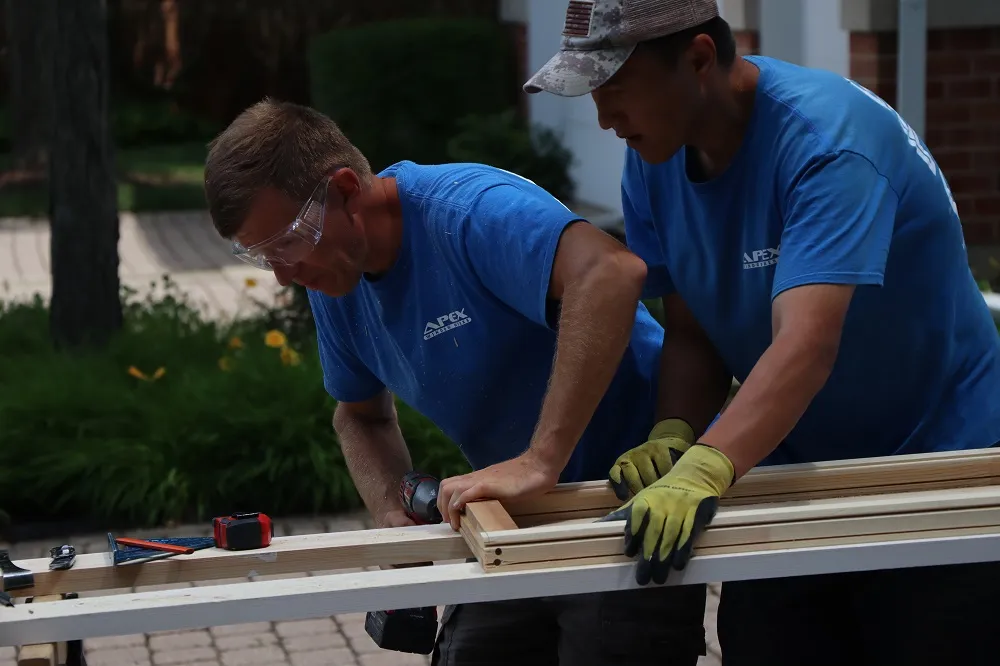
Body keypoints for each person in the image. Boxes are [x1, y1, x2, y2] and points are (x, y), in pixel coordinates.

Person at [524, 1, 1000, 665]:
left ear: (697, 59)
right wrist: (675, 434)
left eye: (617, 92)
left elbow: (806, 346)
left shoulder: (828, 143)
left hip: (936, 464)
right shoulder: (656, 156)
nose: (604, 120)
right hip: (795, 465)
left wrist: (704, 471)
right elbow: (695, 329)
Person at [201, 99, 708, 665]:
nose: (283, 275)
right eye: (262, 256)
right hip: (513, 520)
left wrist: (539, 460)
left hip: (627, 503)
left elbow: (614, 274)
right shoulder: (335, 278)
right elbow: (359, 415)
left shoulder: (468, 212)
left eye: (288, 243)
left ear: (346, 190)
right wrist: (394, 508)